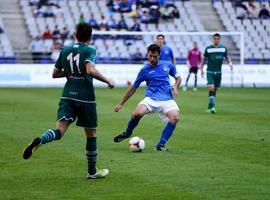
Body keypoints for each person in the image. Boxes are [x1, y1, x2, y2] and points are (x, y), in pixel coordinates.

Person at [23, 23, 115, 179]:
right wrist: (108, 80)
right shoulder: (90, 50)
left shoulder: (65, 50)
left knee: (59, 131)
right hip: (85, 97)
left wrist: (69, 73)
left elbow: (55, 73)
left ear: (75, 35)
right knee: (91, 134)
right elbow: (90, 70)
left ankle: (41, 140)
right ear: (90, 37)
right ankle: (92, 172)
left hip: (67, 95)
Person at [113, 44, 181, 151]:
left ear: (159, 55)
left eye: (154, 56)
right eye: (150, 56)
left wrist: (175, 86)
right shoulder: (144, 70)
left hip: (167, 99)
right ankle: (127, 133)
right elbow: (133, 88)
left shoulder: (168, 65)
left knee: (175, 117)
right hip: (151, 99)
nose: (152, 59)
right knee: (137, 113)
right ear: (147, 55)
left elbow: (178, 78)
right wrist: (121, 103)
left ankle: (160, 145)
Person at [200, 33, 233, 114]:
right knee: (211, 87)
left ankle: (210, 106)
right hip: (210, 71)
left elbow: (227, 56)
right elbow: (204, 59)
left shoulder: (223, 48)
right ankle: (213, 106)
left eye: (218, 39)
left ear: (219, 39)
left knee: (215, 89)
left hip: (219, 72)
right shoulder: (208, 48)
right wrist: (201, 69)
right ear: (213, 39)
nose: (216, 40)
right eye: (215, 38)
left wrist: (230, 63)